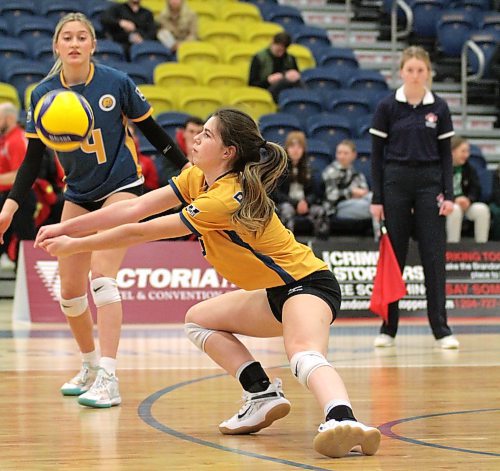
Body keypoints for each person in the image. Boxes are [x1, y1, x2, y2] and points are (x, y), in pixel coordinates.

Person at [35, 108, 381, 459]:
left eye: (208, 134)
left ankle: (341, 418)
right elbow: (133, 209)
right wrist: (65, 227)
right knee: (198, 319)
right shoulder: (198, 178)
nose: (196, 138)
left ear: (228, 152)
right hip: (275, 290)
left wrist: (76, 244)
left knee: (303, 353)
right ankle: (260, 393)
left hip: (308, 285)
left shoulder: (224, 198)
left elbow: (140, 231)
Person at [0, 13, 188, 408]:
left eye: (81, 37)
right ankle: (87, 364)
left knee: (102, 277)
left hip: (122, 188)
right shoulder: (43, 93)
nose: (73, 43)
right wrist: (11, 204)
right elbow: (33, 161)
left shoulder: (115, 82)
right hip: (79, 193)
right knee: (69, 292)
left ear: (92, 45)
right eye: (66, 37)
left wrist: (187, 166)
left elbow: (153, 132)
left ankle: (108, 375)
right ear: (56, 46)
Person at [369, 46, 459, 350]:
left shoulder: (440, 107)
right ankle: (388, 328)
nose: (416, 75)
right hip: (395, 184)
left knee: (434, 257)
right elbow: (376, 157)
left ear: (428, 73)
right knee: (394, 258)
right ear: (402, 72)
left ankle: (441, 329)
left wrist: (449, 194)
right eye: (411, 70)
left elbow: (447, 156)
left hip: (429, 185)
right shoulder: (387, 107)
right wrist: (377, 197)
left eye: (421, 70)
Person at [272, 131, 329, 238]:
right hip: (287, 203)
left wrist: (306, 202)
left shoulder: (309, 169)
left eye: (299, 147)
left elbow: (315, 192)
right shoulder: (279, 169)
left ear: (303, 149)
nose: (295, 150)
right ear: (287, 148)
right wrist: (295, 203)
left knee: (320, 211)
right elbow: (277, 193)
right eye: (292, 146)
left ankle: (321, 245)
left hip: (306, 205)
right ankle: (286, 243)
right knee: (286, 210)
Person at [0, 102, 36, 269]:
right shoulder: (6, 139)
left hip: (20, 196)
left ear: (9, 118)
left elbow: (17, 176)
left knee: (25, 240)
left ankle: (29, 278)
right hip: (8, 196)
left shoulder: (16, 140)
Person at [446, 136, 490, 243]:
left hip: (465, 204)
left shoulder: (469, 168)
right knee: (454, 209)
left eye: (468, 151)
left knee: (482, 210)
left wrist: (469, 199)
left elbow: (476, 188)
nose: (467, 155)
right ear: (452, 151)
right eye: (463, 151)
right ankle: (452, 247)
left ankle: (482, 247)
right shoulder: (441, 168)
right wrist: (454, 199)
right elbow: (437, 190)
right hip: (446, 204)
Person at [322, 139, 372, 222]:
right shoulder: (331, 171)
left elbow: (364, 191)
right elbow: (332, 196)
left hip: (357, 203)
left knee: (373, 199)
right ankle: (380, 234)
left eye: (345, 153)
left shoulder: (355, 172)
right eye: (339, 153)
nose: (342, 156)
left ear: (354, 155)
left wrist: (360, 193)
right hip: (336, 208)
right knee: (373, 208)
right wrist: (351, 192)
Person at [249, 32, 302, 103]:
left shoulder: (290, 58)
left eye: (283, 49)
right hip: (266, 89)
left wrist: (294, 75)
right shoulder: (259, 58)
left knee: (297, 82)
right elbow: (252, 83)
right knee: (282, 82)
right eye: (278, 48)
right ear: (272, 43)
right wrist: (268, 80)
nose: (280, 52)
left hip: (288, 88)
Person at [490, 165, 500, 241]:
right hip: (497, 202)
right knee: (498, 213)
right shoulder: (497, 174)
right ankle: (496, 241)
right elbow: (496, 193)